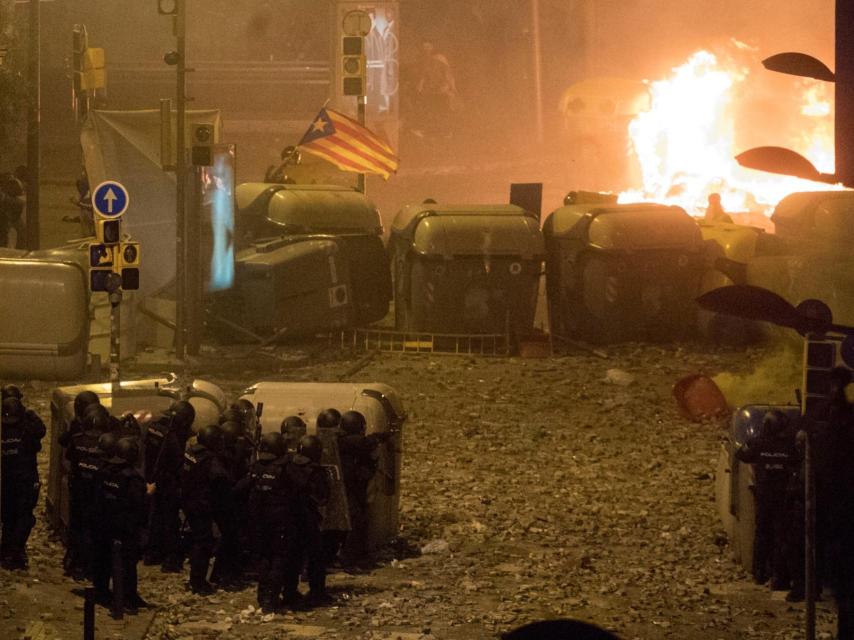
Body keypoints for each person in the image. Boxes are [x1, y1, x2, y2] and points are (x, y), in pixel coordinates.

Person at [735, 409, 797, 590]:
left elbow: (742, 454)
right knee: (782, 536)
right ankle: (780, 577)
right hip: (783, 499)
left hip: (763, 497)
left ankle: (760, 573)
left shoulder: (759, 443)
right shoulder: (788, 445)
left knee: (762, 534)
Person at [92, 437, 148, 612]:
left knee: (103, 561)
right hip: (125, 528)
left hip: (103, 524)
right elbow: (138, 505)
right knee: (127, 565)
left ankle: (101, 593)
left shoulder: (104, 471)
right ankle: (127, 599)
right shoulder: (133, 479)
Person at [143, 401, 194, 571]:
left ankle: (151, 554)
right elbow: (178, 462)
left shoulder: (154, 427)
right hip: (167, 481)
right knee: (170, 520)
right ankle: (170, 560)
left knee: (154, 516)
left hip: (150, 477)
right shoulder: (172, 438)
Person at [62, 393, 108, 579]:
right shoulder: (103, 441)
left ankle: (75, 563)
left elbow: (68, 454)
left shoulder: (77, 435)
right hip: (96, 492)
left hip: (79, 487)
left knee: (78, 527)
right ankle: (87, 565)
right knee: (92, 530)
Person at [181, 424, 231, 594]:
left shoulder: (191, 452)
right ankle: (198, 582)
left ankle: (196, 580)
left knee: (199, 540)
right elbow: (221, 479)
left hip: (189, 501)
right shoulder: (210, 461)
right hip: (201, 505)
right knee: (203, 543)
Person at [247, 432, 294, 612]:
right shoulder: (284, 469)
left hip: (258, 522)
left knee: (264, 558)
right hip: (279, 521)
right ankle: (271, 599)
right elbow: (300, 488)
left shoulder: (256, 467)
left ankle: (262, 595)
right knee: (278, 560)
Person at [337, 410, 390, 566]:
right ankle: (349, 559)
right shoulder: (347, 442)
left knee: (359, 520)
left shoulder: (343, 442)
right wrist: (378, 438)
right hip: (348, 488)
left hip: (350, 487)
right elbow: (363, 443)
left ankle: (356, 557)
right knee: (356, 521)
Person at [0, 397, 46, 570]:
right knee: (23, 518)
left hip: (7, 481)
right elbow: (40, 434)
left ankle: (7, 551)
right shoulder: (26, 429)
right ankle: (14, 552)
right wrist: (31, 415)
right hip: (24, 480)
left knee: (9, 517)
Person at [285, 435, 330, 606]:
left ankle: (289, 592)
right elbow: (322, 498)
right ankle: (317, 592)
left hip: (289, 517)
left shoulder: (288, 466)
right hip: (307, 517)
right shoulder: (316, 471)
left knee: (293, 556)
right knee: (316, 556)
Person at [414, 40, 457, 138]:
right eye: (424, 47)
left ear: (432, 47)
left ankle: (447, 132)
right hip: (431, 89)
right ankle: (428, 131)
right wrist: (421, 84)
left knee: (442, 110)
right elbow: (424, 74)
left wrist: (449, 87)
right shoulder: (424, 60)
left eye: (428, 46)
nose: (426, 49)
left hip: (441, 89)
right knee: (431, 110)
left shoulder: (439, 58)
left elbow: (448, 73)